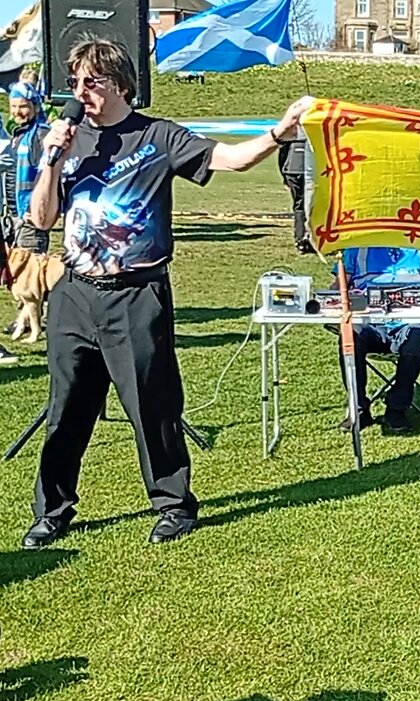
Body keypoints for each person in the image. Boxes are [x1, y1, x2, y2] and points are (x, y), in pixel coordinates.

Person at [20, 38, 314, 549]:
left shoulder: (157, 137)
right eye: (74, 83)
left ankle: (173, 505)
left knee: (152, 406)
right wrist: (51, 159)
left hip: (137, 294)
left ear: (121, 85)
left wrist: (277, 133)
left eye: (91, 82)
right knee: (65, 408)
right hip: (75, 293)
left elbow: (232, 158)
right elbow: (42, 219)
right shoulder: (66, 141)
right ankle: (52, 510)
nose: (80, 92)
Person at [335, 247, 420, 432]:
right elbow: (338, 287)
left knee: (417, 337)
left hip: (412, 322)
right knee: (350, 334)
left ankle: (397, 409)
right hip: (369, 323)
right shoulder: (357, 248)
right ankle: (358, 409)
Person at [4, 78, 50, 253]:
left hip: (31, 220)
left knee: (29, 275)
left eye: (23, 106)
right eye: (13, 106)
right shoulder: (17, 135)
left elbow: (50, 175)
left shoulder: (41, 135)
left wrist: (38, 208)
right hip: (14, 218)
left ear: (35, 107)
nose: (17, 111)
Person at [277, 134, 313, 255]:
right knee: (309, 205)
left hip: (292, 170)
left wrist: (284, 174)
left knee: (299, 205)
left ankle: (300, 238)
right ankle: (307, 238)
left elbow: (282, 154)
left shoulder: (291, 133)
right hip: (307, 170)